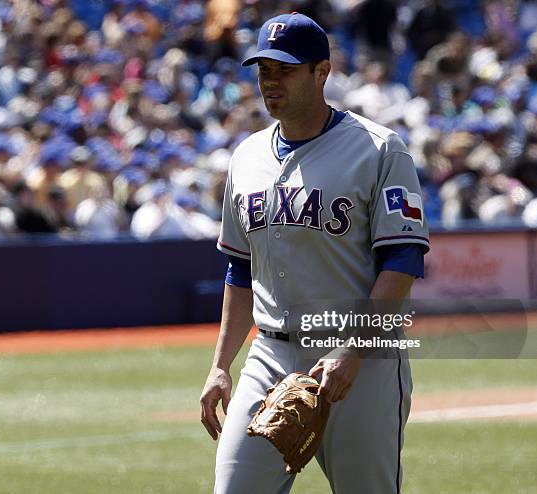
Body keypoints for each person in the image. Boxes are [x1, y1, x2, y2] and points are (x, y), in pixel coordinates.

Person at [199, 12, 430, 494]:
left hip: (361, 360)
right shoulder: (246, 157)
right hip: (271, 355)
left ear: (321, 72)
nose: (270, 81)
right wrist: (222, 364)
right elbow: (240, 269)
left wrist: (355, 348)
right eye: (263, 70)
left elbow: (403, 261)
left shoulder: (380, 149)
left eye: (284, 69)